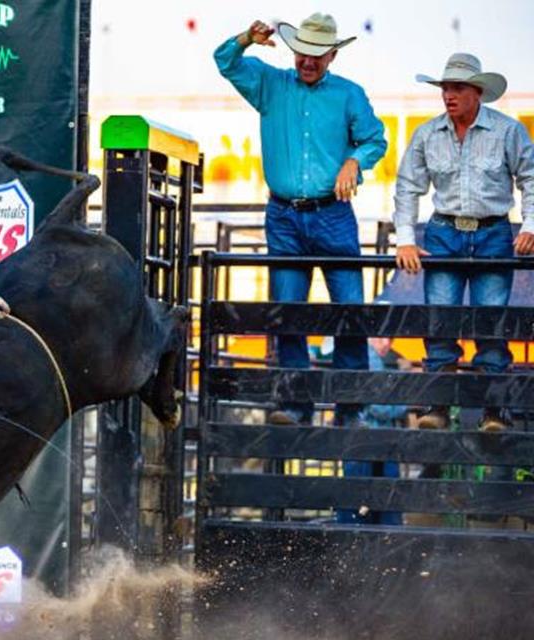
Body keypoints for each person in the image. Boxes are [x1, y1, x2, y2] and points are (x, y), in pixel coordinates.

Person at [214, 13, 388, 426]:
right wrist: (246, 39)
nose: (307, 61)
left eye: (316, 54)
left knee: (350, 310)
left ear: (331, 55)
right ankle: (295, 404)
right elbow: (225, 61)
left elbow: (375, 139)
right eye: (302, 53)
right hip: (285, 215)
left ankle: (349, 408)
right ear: (294, 51)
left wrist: (353, 162)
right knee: (287, 309)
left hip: (332, 213)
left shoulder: (349, 95)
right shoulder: (270, 84)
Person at [392, 53, 534, 432]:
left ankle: (494, 410)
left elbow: (531, 179)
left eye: (457, 89)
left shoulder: (508, 131)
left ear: (478, 93)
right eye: (445, 89)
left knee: (491, 323)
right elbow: (407, 187)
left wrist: (530, 225)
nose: (448, 96)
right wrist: (405, 239)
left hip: (493, 232)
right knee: (440, 320)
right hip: (443, 231)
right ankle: (437, 407)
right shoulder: (426, 133)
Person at [338, 337, 409, 525]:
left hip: (361, 437)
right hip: (376, 438)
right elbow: (380, 406)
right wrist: (405, 400)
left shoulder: (363, 358)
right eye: (381, 337)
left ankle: (349, 544)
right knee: (384, 501)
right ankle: (386, 545)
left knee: (356, 499)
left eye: (390, 339)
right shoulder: (372, 359)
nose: (386, 343)